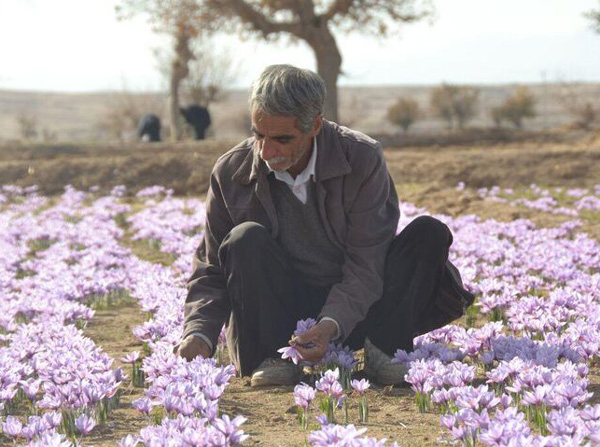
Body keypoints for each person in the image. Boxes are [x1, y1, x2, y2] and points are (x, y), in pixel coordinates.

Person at [175, 64, 474, 387]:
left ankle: (384, 350)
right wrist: (199, 333)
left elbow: (366, 262)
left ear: (315, 125)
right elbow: (210, 268)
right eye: (258, 135)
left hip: (357, 310)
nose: (265, 150)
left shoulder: (360, 158)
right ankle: (271, 358)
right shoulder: (232, 171)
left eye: (282, 138)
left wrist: (330, 325)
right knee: (243, 238)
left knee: (429, 234)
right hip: (276, 313)